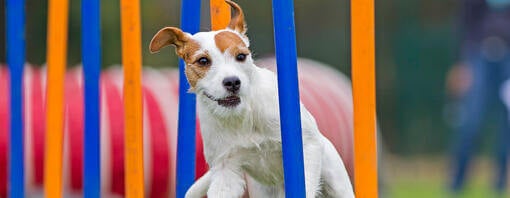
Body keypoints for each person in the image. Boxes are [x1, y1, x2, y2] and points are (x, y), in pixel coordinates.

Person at [449, 0, 510, 193]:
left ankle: (499, 184)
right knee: (471, 121)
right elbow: (464, 21)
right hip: (478, 53)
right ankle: (457, 182)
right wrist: (461, 63)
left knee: (507, 125)